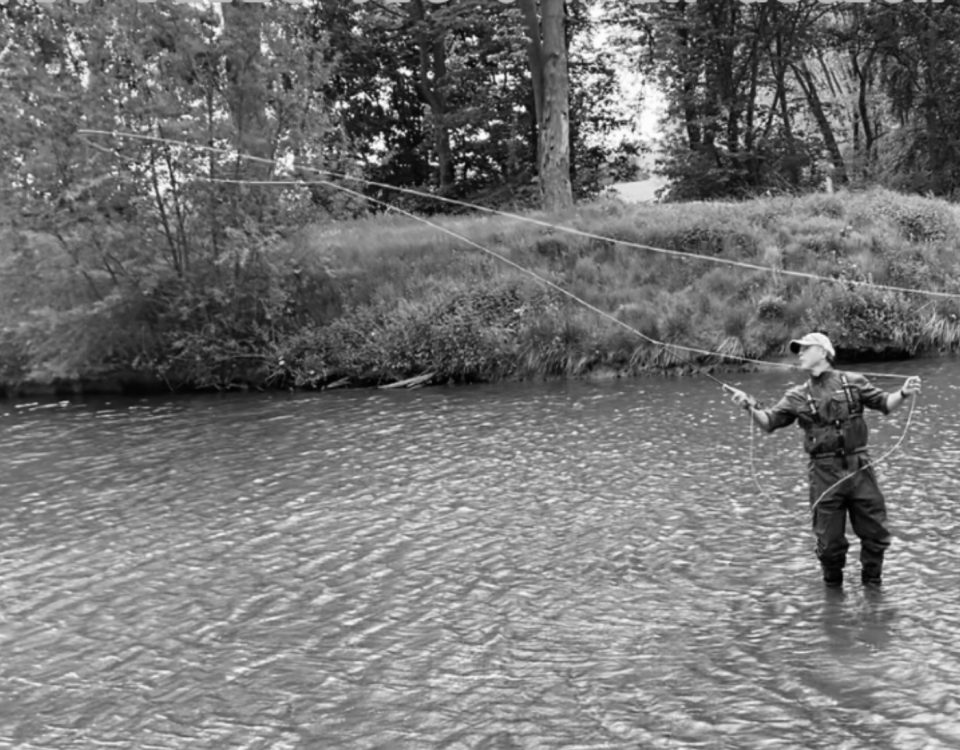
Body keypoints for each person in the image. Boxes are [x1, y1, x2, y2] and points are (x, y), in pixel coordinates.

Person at [727, 332, 922, 589]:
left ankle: (873, 590)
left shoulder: (854, 381)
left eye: (805, 348)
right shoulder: (796, 395)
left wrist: (904, 392)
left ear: (823, 351)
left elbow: (885, 403)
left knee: (876, 535)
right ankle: (833, 594)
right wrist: (748, 406)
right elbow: (769, 422)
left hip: (860, 468)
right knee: (829, 545)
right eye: (799, 350)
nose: (800, 353)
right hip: (823, 473)